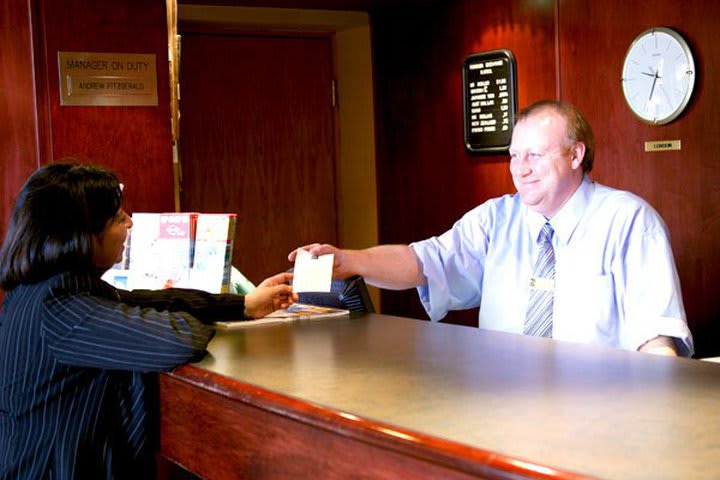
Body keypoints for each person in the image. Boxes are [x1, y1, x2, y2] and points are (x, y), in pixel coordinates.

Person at [289, 100, 693, 357]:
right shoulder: (496, 218)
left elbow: (656, 340)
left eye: (535, 154)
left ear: (576, 154)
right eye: (514, 155)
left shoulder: (630, 222)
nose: (520, 167)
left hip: (600, 414)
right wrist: (349, 261)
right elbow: (422, 261)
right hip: (505, 408)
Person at [0, 163, 297, 479]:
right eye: (117, 218)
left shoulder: (41, 290)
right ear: (81, 236)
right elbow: (178, 338)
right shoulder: (63, 310)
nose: (129, 222)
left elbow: (148, 299)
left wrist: (244, 305)